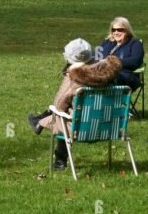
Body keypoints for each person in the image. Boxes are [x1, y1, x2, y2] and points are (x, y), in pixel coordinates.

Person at [27, 39, 123, 169]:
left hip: (81, 128)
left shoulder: (74, 78)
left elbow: (58, 105)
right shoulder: (109, 73)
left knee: (62, 114)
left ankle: (59, 159)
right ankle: (39, 122)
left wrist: (69, 73)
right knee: (65, 114)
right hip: (110, 126)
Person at [98, 17, 144, 90]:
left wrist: (113, 62)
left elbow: (135, 61)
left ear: (127, 30)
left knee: (107, 76)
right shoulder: (107, 42)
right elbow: (97, 57)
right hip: (102, 73)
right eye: (113, 30)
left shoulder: (135, 44)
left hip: (125, 75)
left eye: (120, 30)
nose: (116, 32)